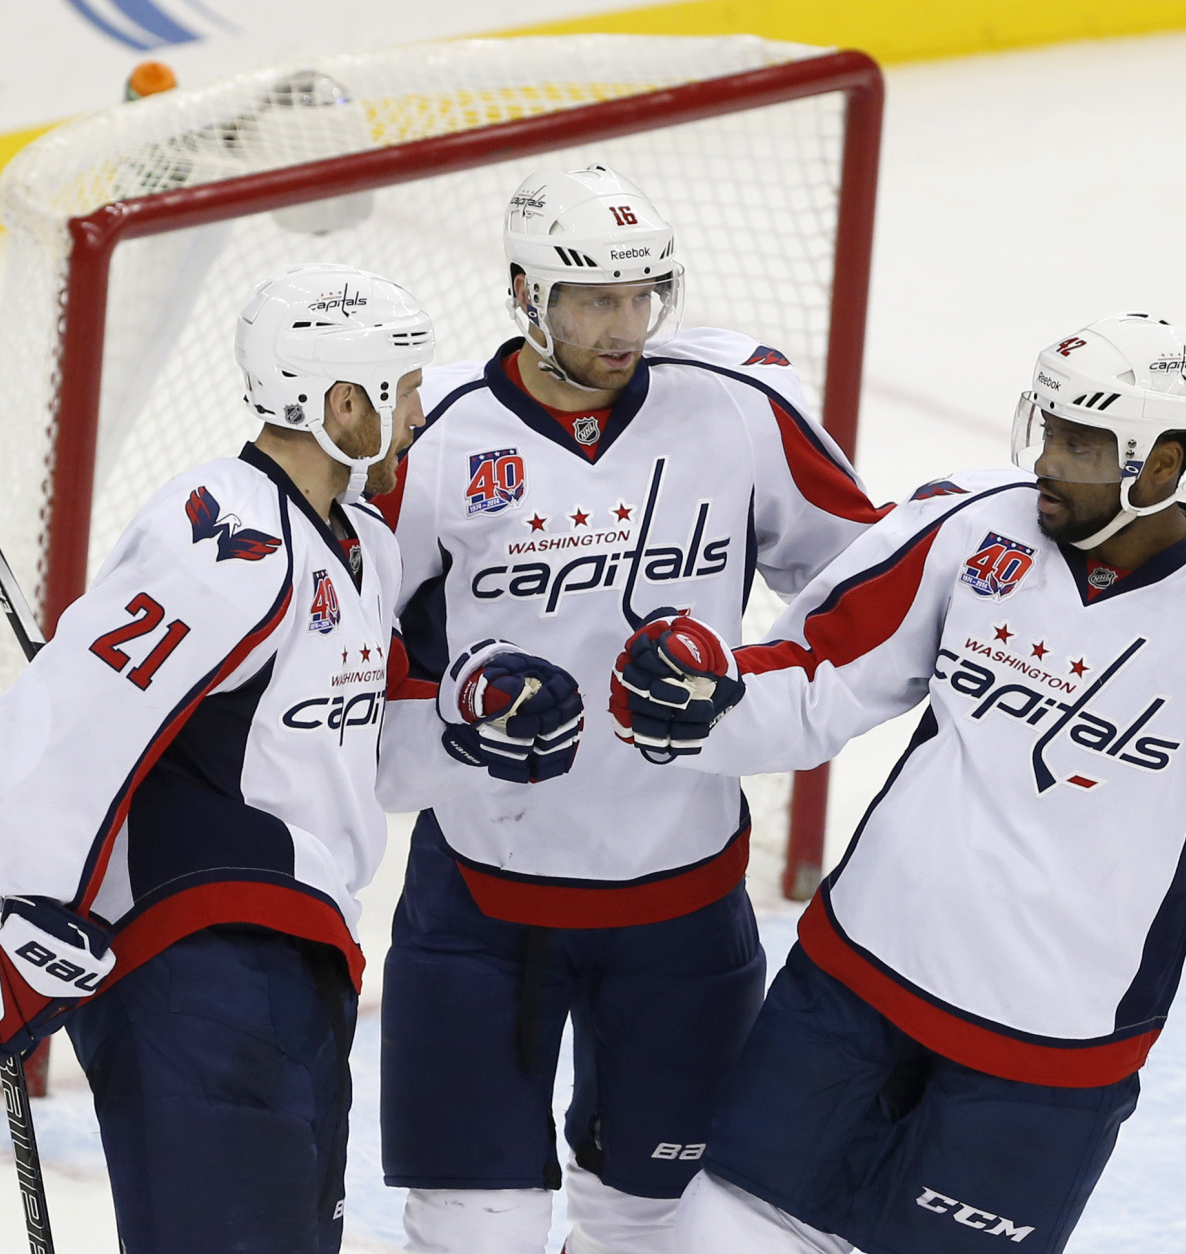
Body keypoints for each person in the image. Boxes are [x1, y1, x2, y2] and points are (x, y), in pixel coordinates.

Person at [612, 313, 1186, 1254]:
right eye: (1049, 429)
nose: (1048, 459)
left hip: (1044, 1063)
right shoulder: (973, 521)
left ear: (1164, 464)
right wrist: (708, 701)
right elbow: (824, 664)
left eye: (1083, 444)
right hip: (853, 991)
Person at [370, 163, 886, 1254]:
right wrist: (452, 715)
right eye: (592, 299)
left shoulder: (739, 409)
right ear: (524, 293)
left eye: (641, 295)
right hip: (480, 905)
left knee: (652, 1234)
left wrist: (736, 684)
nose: (624, 326)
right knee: (475, 1235)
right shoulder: (438, 439)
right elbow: (349, 650)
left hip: (681, 903)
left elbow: (873, 592)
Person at [0, 263, 469, 1253]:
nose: (414, 414)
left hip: (297, 956)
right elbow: (71, 714)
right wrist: (34, 926)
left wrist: (470, 727)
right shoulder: (229, 539)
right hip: (196, 961)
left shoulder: (359, 542)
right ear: (337, 403)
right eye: (399, 392)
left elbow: (359, 750)